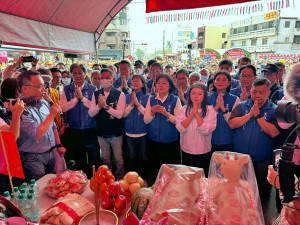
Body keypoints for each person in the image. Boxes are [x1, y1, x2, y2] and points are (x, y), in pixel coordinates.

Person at [228, 77, 280, 198]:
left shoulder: (275, 110)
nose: (257, 95)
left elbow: (274, 132)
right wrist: (250, 115)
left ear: (268, 92)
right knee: (239, 190)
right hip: (240, 157)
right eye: (254, 92)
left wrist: (258, 116)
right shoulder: (241, 106)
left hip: (262, 159)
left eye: (261, 92)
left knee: (259, 192)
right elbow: (232, 124)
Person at [17, 70, 65, 181]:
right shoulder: (20, 109)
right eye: (39, 86)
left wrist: (59, 145)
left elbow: (52, 126)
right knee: (39, 188)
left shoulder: (43, 103)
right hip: (33, 158)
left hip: (50, 153)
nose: (44, 90)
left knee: (52, 184)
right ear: (24, 88)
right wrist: (52, 115)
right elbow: (36, 134)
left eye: (44, 85)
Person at [60, 63, 99, 177]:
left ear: (85, 74)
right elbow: (62, 107)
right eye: (74, 73)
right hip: (74, 129)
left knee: (93, 157)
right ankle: (81, 181)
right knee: (79, 157)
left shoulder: (92, 88)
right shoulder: (67, 89)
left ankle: (93, 181)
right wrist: (76, 100)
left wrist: (82, 98)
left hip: (90, 127)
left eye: (80, 73)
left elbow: (94, 106)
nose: (77, 76)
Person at [89, 68, 126, 180]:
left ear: (113, 79)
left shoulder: (120, 94)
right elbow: (91, 113)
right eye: (102, 78)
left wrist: (106, 107)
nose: (105, 80)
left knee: (118, 158)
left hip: (116, 132)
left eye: (107, 77)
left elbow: (119, 114)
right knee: (105, 158)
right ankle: (108, 178)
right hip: (101, 132)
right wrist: (99, 106)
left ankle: (119, 177)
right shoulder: (96, 94)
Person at [144, 74, 181, 182]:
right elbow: (146, 120)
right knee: (155, 170)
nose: (161, 85)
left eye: (164, 83)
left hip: (170, 141)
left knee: (170, 172)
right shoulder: (151, 99)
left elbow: (179, 122)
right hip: (153, 140)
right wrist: (152, 112)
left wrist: (166, 114)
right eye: (158, 83)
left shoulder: (175, 100)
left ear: (170, 86)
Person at [176, 82, 217, 176]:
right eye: (193, 93)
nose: (196, 96)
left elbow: (207, 130)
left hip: (204, 150)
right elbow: (180, 128)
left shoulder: (210, 110)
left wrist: (197, 115)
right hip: (186, 150)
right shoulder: (184, 109)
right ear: (189, 95)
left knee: (202, 177)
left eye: (200, 94)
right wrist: (192, 115)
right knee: (188, 177)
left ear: (204, 96)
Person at [123, 74, 150, 180]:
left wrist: (138, 104)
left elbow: (147, 114)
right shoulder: (126, 97)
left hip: (142, 132)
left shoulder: (147, 97)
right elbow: (124, 114)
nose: (134, 83)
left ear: (143, 84)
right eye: (133, 81)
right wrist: (131, 105)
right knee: (132, 156)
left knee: (144, 156)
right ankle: (133, 179)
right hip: (129, 132)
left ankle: (144, 178)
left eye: (137, 81)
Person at [208, 71, 240, 152]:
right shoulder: (207, 98)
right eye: (218, 79)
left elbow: (234, 122)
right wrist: (215, 109)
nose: (220, 82)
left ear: (229, 83)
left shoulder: (235, 99)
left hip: (228, 140)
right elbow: (205, 120)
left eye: (224, 80)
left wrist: (224, 109)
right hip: (209, 141)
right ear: (214, 83)